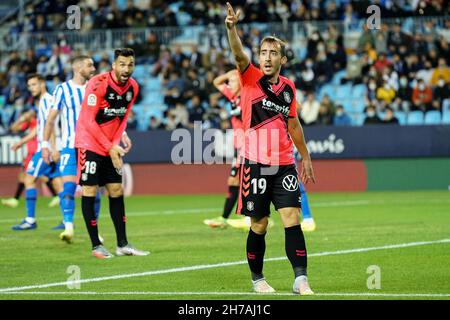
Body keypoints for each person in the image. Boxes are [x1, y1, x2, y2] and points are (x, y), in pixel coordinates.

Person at [225, 3, 315, 295]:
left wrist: (306, 156)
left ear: (282, 59)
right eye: (263, 52)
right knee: (260, 224)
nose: (266, 57)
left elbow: (294, 125)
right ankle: (257, 279)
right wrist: (231, 29)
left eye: (272, 53)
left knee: (292, 218)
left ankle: (300, 279)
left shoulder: (288, 88)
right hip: (255, 164)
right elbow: (238, 54)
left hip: (285, 164)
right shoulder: (249, 77)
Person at [75, 48, 148, 259]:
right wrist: (110, 147)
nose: (127, 69)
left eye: (130, 64)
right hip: (88, 143)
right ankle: (96, 245)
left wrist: (115, 145)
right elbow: (88, 121)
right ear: (113, 65)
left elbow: (122, 119)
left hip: (109, 145)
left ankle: (122, 244)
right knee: (89, 190)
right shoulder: (98, 84)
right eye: (122, 64)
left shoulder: (133, 87)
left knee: (116, 190)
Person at [41, 55, 102, 242]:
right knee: (68, 187)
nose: (93, 67)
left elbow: (107, 116)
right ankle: (68, 227)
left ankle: (94, 231)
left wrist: (121, 134)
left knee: (95, 193)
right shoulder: (62, 89)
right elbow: (51, 120)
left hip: (92, 147)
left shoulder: (97, 87)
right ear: (78, 68)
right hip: (69, 146)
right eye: (89, 65)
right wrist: (46, 145)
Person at [11, 74, 64, 231]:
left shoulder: (47, 100)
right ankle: (67, 220)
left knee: (29, 180)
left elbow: (51, 125)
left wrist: (52, 148)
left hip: (45, 148)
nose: (31, 88)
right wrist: (22, 142)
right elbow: (39, 128)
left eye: (33, 84)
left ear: (42, 84)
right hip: (49, 147)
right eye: (29, 85)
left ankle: (30, 220)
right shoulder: (41, 102)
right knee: (57, 184)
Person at [203, 69, 250, 230]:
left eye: (232, 81)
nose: (228, 83)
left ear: (240, 82)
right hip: (239, 146)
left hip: (247, 145)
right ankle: (225, 218)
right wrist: (233, 72)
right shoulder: (233, 96)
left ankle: (251, 218)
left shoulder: (246, 96)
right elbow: (217, 81)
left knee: (245, 181)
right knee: (234, 180)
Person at [2, 109, 60, 208]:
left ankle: (55, 196)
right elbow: (14, 128)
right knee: (26, 174)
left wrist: (20, 142)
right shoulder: (28, 124)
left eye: (26, 113)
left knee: (33, 176)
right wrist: (21, 119)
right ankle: (16, 199)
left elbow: (35, 133)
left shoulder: (36, 122)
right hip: (31, 152)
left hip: (35, 152)